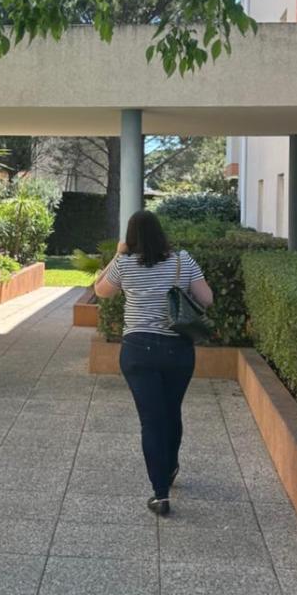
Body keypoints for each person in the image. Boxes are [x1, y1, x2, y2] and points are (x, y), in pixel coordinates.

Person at [94, 210, 213, 516]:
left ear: (131, 237)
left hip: (138, 351)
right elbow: (207, 299)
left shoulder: (124, 263)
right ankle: (170, 467)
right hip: (178, 349)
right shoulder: (182, 260)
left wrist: (117, 255)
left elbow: (101, 291)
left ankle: (160, 494)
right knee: (172, 411)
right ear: (161, 233)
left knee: (151, 420)